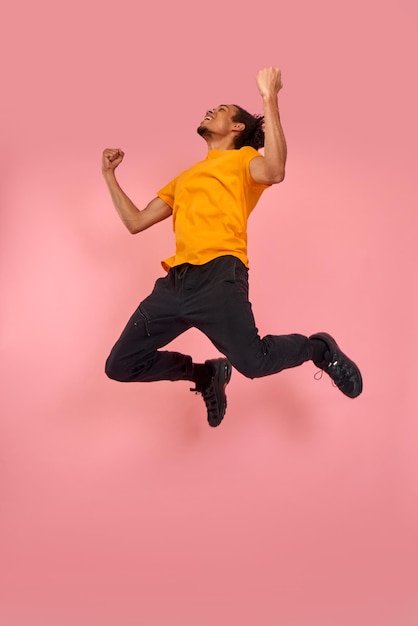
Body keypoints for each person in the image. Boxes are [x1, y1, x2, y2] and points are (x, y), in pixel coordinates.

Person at [102, 66, 363, 427]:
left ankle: (320, 349)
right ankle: (207, 375)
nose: (212, 110)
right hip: (175, 285)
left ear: (238, 127)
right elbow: (135, 222)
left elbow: (274, 170)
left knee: (254, 363)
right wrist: (109, 176)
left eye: (222, 109)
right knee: (120, 365)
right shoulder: (184, 178)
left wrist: (269, 97)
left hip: (219, 278)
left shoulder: (243, 162)